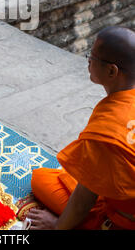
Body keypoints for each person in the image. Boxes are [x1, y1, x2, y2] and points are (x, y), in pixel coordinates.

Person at [27, 26, 135, 230]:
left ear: (112, 71)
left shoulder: (109, 129)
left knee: (40, 179)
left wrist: (57, 226)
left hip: (125, 218)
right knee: (76, 171)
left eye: (92, 58)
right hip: (123, 193)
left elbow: (83, 200)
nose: (88, 61)